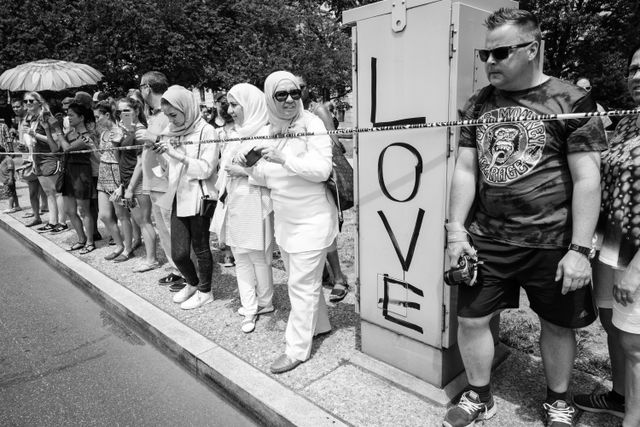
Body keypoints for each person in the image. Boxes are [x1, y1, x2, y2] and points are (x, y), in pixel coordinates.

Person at [442, 8, 606, 427]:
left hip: (552, 241)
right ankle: (479, 396)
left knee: (556, 324)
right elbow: (465, 168)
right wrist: (456, 232)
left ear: (532, 49)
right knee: (471, 318)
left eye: (501, 52)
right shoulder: (479, 103)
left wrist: (580, 250)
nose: (490, 62)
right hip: (487, 239)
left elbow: (587, 177)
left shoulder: (570, 100)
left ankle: (558, 401)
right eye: (485, 54)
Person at [238, 70, 337, 373]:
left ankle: (296, 350)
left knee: (301, 286)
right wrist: (249, 167)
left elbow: (321, 170)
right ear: (270, 98)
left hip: (312, 220)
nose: (291, 99)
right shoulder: (269, 130)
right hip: (286, 222)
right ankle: (318, 326)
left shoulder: (312, 124)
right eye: (281, 95)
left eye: (295, 92)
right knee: (303, 283)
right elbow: (268, 178)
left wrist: (283, 160)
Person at [573, 44, 640, 426]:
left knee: (635, 342)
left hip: (635, 256)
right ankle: (619, 396)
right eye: (633, 69)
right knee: (614, 325)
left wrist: (635, 272)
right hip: (610, 245)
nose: (637, 76)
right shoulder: (629, 120)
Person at [153, 85, 219, 310]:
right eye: (168, 115)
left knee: (201, 247)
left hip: (199, 196)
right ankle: (192, 283)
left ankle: (205, 290)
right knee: (178, 253)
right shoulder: (171, 131)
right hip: (176, 196)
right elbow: (169, 169)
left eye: (174, 114)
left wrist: (176, 155)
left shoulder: (206, 131)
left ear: (186, 108)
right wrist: (162, 158)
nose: (171, 119)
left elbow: (206, 169)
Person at [216, 83, 274, 333]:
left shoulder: (265, 133)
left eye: (235, 104)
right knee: (241, 255)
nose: (230, 110)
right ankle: (252, 305)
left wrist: (244, 171)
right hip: (236, 200)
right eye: (229, 104)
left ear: (250, 104)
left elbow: (274, 174)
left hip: (254, 199)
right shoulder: (239, 133)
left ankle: (260, 305)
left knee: (256, 257)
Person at [298, 75, 349, 303]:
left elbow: (334, 143)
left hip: (321, 178)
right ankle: (326, 273)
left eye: (300, 87)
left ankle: (339, 278)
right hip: (301, 180)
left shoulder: (316, 110)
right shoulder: (289, 114)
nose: (296, 92)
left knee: (327, 230)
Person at [139, 71, 185, 289]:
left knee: (173, 229)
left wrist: (153, 138)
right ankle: (177, 269)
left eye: (141, 86)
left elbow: (176, 142)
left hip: (166, 182)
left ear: (147, 87)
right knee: (164, 230)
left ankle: (187, 273)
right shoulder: (155, 114)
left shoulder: (168, 113)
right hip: (154, 181)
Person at [43, 103, 98, 253]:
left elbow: (67, 148)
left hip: (81, 173)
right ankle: (81, 239)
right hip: (68, 173)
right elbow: (55, 150)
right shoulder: (68, 134)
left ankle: (90, 242)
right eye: (67, 114)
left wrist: (58, 130)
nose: (68, 117)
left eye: (72, 115)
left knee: (83, 210)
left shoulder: (88, 136)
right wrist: (48, 129)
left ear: (81, 118)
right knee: (69, 210)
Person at [119, 96, 159, 272]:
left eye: (126, 110)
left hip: (139, 182)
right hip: (129, 181)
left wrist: (129, 187)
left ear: (136, 111)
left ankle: (151, 260)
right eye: (119, 111)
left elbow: (141, 163)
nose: (122, 114)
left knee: (144, 221)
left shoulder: (140, 131)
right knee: (140, 220)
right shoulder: (128, 130)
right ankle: (149, 257)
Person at [23, 92, 68, 234]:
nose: (28, 103)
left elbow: (55, 139)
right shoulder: (32, 118)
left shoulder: (48, 117)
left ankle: (62, 222)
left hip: (50, 156)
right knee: (49, 192)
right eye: (26, 101)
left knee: (57, 192)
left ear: (39, 102)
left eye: (31, 100)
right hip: (38, 157)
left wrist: (34, 134)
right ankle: (52, 221)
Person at [12, 97, 48, 225]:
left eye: (18, 106)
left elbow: (40, 139)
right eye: (14, 107)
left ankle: (52, 215)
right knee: (32, 190)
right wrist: (22, 147)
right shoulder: (21, 120)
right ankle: (37, 215)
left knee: (48, 190)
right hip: (27, 158)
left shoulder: (34, 118)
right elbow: (26, 140)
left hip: (41, 158)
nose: (16, 109)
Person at [0, 147, 20, 213]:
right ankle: (17, 206)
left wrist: (11, 179)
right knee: (13, 193)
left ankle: (10, 207)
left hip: (8, 179)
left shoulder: (8, 159)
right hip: (5, 180)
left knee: (10, 194)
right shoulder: (2, 159)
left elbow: (10, 170)